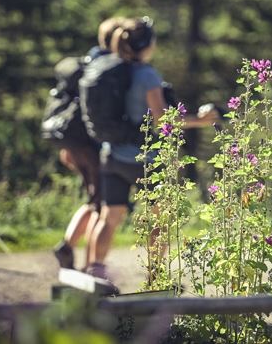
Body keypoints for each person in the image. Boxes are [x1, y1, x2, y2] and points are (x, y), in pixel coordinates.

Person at [84, 16, 219, 279]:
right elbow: (163, 120)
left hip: (112, 154)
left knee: (109, 218)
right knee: (159, 221)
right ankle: (156, 278)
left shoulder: (111, 67)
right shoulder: (147, 75)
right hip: (146, 159)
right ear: (147, 44)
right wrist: (201, 121)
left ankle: (95, 272)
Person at [53, 17, 127, 270]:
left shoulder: (87, 62)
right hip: (92, 146)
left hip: (73, 143)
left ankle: (67, 246)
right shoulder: (109, 68)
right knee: (102, 205)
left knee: (94, 199)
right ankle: (90, 268)